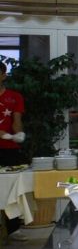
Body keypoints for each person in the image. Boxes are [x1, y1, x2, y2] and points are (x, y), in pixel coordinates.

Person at [0, 63, 26, 235]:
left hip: (9, 149)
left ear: (3, 75)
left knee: (11, 188)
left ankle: (13, 229)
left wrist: (18, 134)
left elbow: (16, 120)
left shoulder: (14, 97)